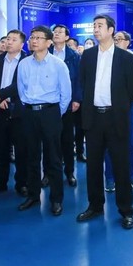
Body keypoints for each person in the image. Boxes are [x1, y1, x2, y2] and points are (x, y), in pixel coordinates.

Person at [76, 14, 133, 230]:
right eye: (94, 26)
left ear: (111, 30)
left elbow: (131, 89)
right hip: (93, 118)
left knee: (120, 166)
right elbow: (83, 83)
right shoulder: (88, 56)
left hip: (115, 118)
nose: (96, 29)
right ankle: (95, 206)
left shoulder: (126, 58)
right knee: (93, 166)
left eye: (100, 26)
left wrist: (118, 107)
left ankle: (126, 210)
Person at [16, 26, 71, 216]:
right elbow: (21, 90)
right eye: (32, 37)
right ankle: (33, 195)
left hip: (50, 113)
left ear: (49, 42)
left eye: (38, 38)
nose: (33, 41)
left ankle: (56, 199)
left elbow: (66, 94)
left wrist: (55, 114)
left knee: (53, 158)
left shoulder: (58, 64)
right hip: (29, 112)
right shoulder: (24, 64)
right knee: (31, 157)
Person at [0, 29, 28, 197]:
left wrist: (2, 94)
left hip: (19, 111)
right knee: (0, 149)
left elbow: (22, 83)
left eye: (14, 39)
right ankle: (0, 183)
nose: (9, 42)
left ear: (22, 44)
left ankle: (22, 183)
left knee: (22, 151)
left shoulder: (27, 60)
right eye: (8, 39)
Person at [104, 30, 133, 191]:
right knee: (109, 143)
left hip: (129, 106)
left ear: (127, 42)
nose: (116, 41)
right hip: (108, 106)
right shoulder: (105, 58)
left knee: (129, 143)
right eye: (114, 39)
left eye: (119, 39)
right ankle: (110, 177)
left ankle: (131, 175)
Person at [44, 24, 81, 188]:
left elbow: (79, 79)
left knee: (67, 140)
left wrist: (76, 99)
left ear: (67, 37)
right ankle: (47, 174)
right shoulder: (46, 52)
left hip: (67, 103)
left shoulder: (74, 56)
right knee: (49, 140)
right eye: (55, 32)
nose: (56, 34)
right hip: (49, 103)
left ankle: (69, 172)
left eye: (60, 32)